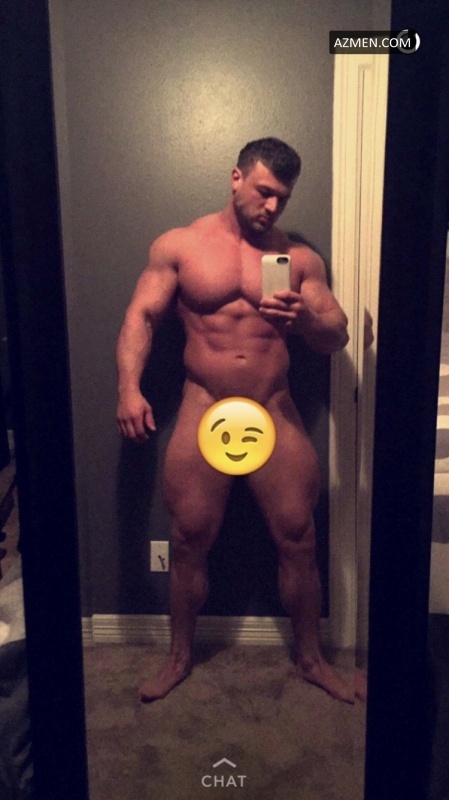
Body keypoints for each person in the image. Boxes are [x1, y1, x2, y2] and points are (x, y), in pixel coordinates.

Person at [116, 137, 352, 703]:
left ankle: (312, 660)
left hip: (274, 406)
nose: (272, 206)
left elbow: (337, 334)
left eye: (283, 199)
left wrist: (303, 318)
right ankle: (178, 658)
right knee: (188, 537)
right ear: (236, 178)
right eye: (265, 191)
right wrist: (128, 388)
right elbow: (141, 317)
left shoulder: (299, 260)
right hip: (204, 406)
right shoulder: (180, 246)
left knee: (299, 536)